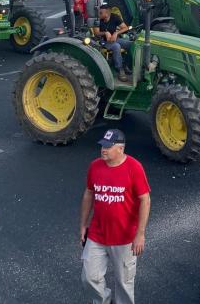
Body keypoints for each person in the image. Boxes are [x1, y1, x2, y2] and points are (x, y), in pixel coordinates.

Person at [80, 129, 151, 304]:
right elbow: (89, 194)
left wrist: (140, 234)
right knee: (88, 277)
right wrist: (83, 225)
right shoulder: (95, 166)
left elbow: (145, 200)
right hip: (97, 234)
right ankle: (104, 299)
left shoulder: (134, 168)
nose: (103, 149)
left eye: (108, 146)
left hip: (125, 239)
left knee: (124, 283)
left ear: (121, 148)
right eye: (102, 146)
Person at [93, 5, 131, 82]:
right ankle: (120, 69)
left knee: (131, 44)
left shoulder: (115, 17)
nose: (98, 14)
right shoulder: (97, 19)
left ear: (107, 13)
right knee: (116, 46)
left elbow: (125, 27)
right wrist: (105, 33)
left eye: (100, 13)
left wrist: (116, 33)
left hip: (114, 39)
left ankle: (126, 64)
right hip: (103, 41)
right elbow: (96, 33)